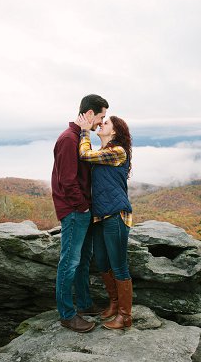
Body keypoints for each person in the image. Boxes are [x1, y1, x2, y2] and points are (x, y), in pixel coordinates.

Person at [51, 94, 108, 333]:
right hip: (75, 211)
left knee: (83, 260)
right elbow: (67, 181)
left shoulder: (79, 137)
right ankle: (67, 314)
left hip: (82, 209)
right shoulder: (68, 139)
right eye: (101, 117)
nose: (101, 123)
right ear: (89, 114)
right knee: (70, 262)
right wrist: (82, 206)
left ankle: (84, 304)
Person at [75, 113, 134, 330]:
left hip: (116, 215)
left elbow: (84, 154)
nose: (101, 124)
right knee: (102, 262)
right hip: (100, 216)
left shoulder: (117, 152)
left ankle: (125, 316)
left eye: (106, 123)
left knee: (118, 265)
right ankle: (114, 304)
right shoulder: (104, 152)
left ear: (115, 131)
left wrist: (84, 130)